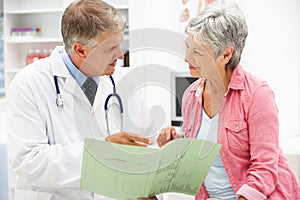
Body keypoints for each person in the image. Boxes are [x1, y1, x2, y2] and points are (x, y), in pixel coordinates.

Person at [7, 0, 156, 200]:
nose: (120, 55)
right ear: (80, 50)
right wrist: (100, 154)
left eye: (120, 44)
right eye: (110, 48)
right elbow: (29, 162)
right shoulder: (28, 84)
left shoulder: (124, 82)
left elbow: (147, 142)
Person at [156, 1, 300, 200]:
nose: (187, 57)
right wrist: (175, 144)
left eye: (197, 52)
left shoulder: (257, 94)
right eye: (187, 47)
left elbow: (265, 168)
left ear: (226, 54)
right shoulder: (191, 95)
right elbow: (201, 156)